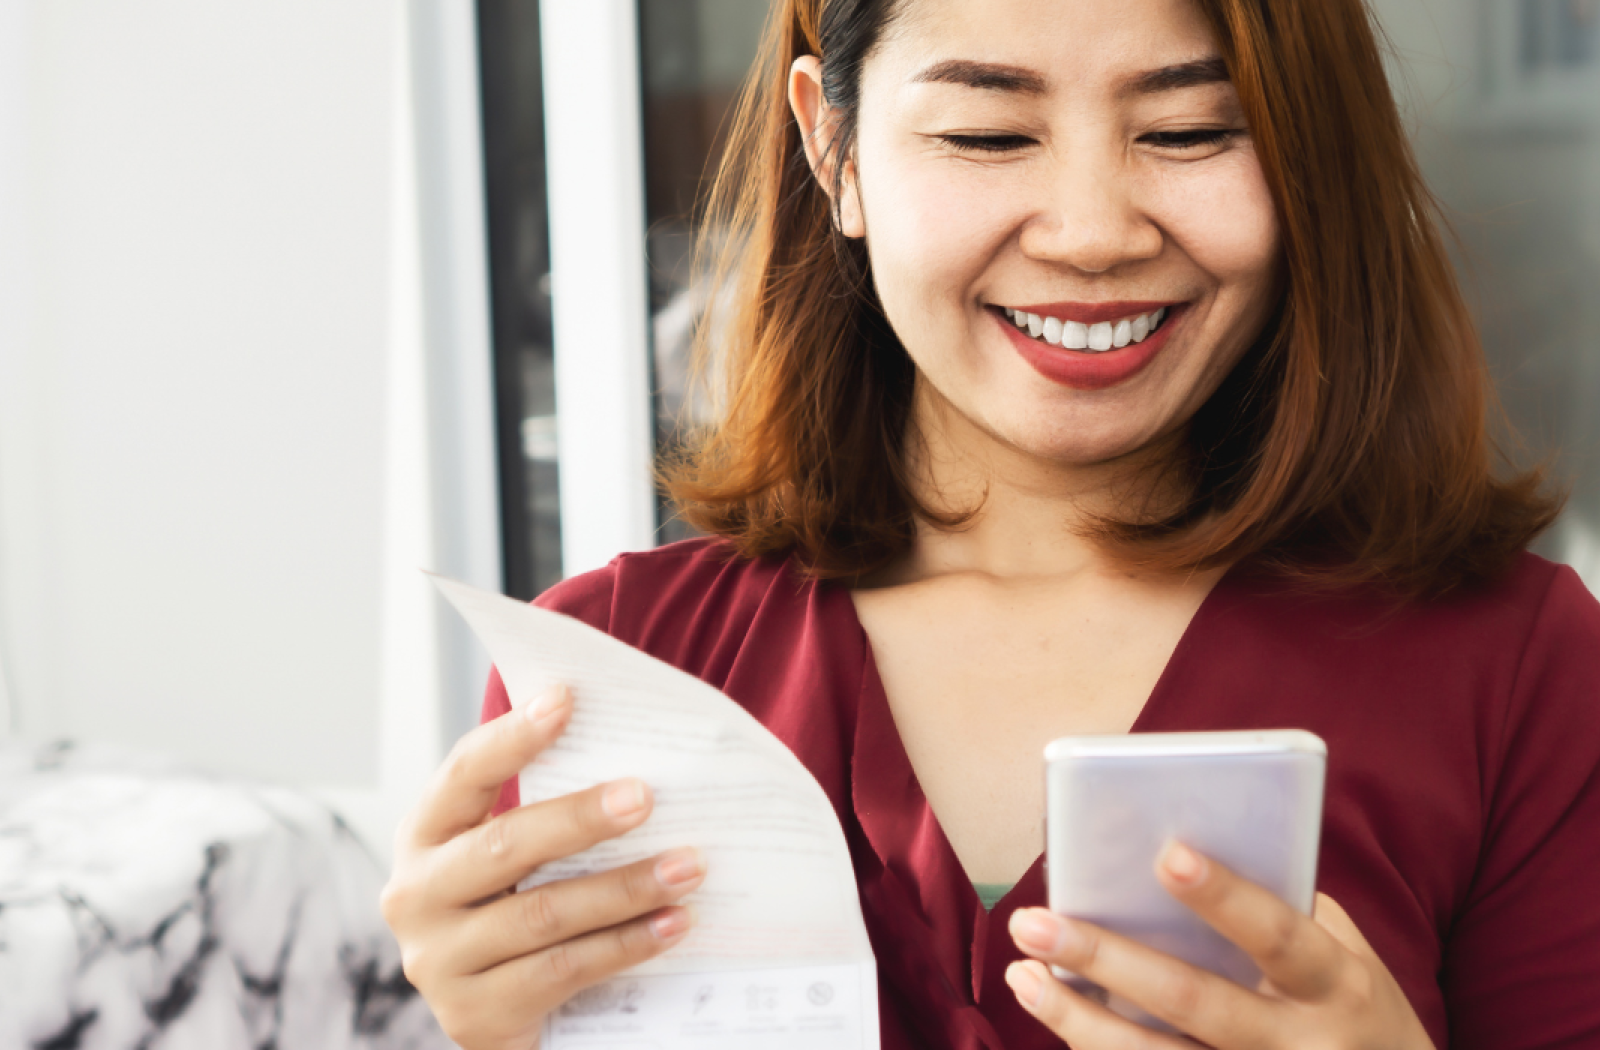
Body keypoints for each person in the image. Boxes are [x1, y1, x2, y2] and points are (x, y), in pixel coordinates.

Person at [380, 0, 1600, 1046]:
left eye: (1188, 132)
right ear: (832, 146)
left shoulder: (1516, 665)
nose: (1092, 232)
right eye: (986, 133)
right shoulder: (618, 665)